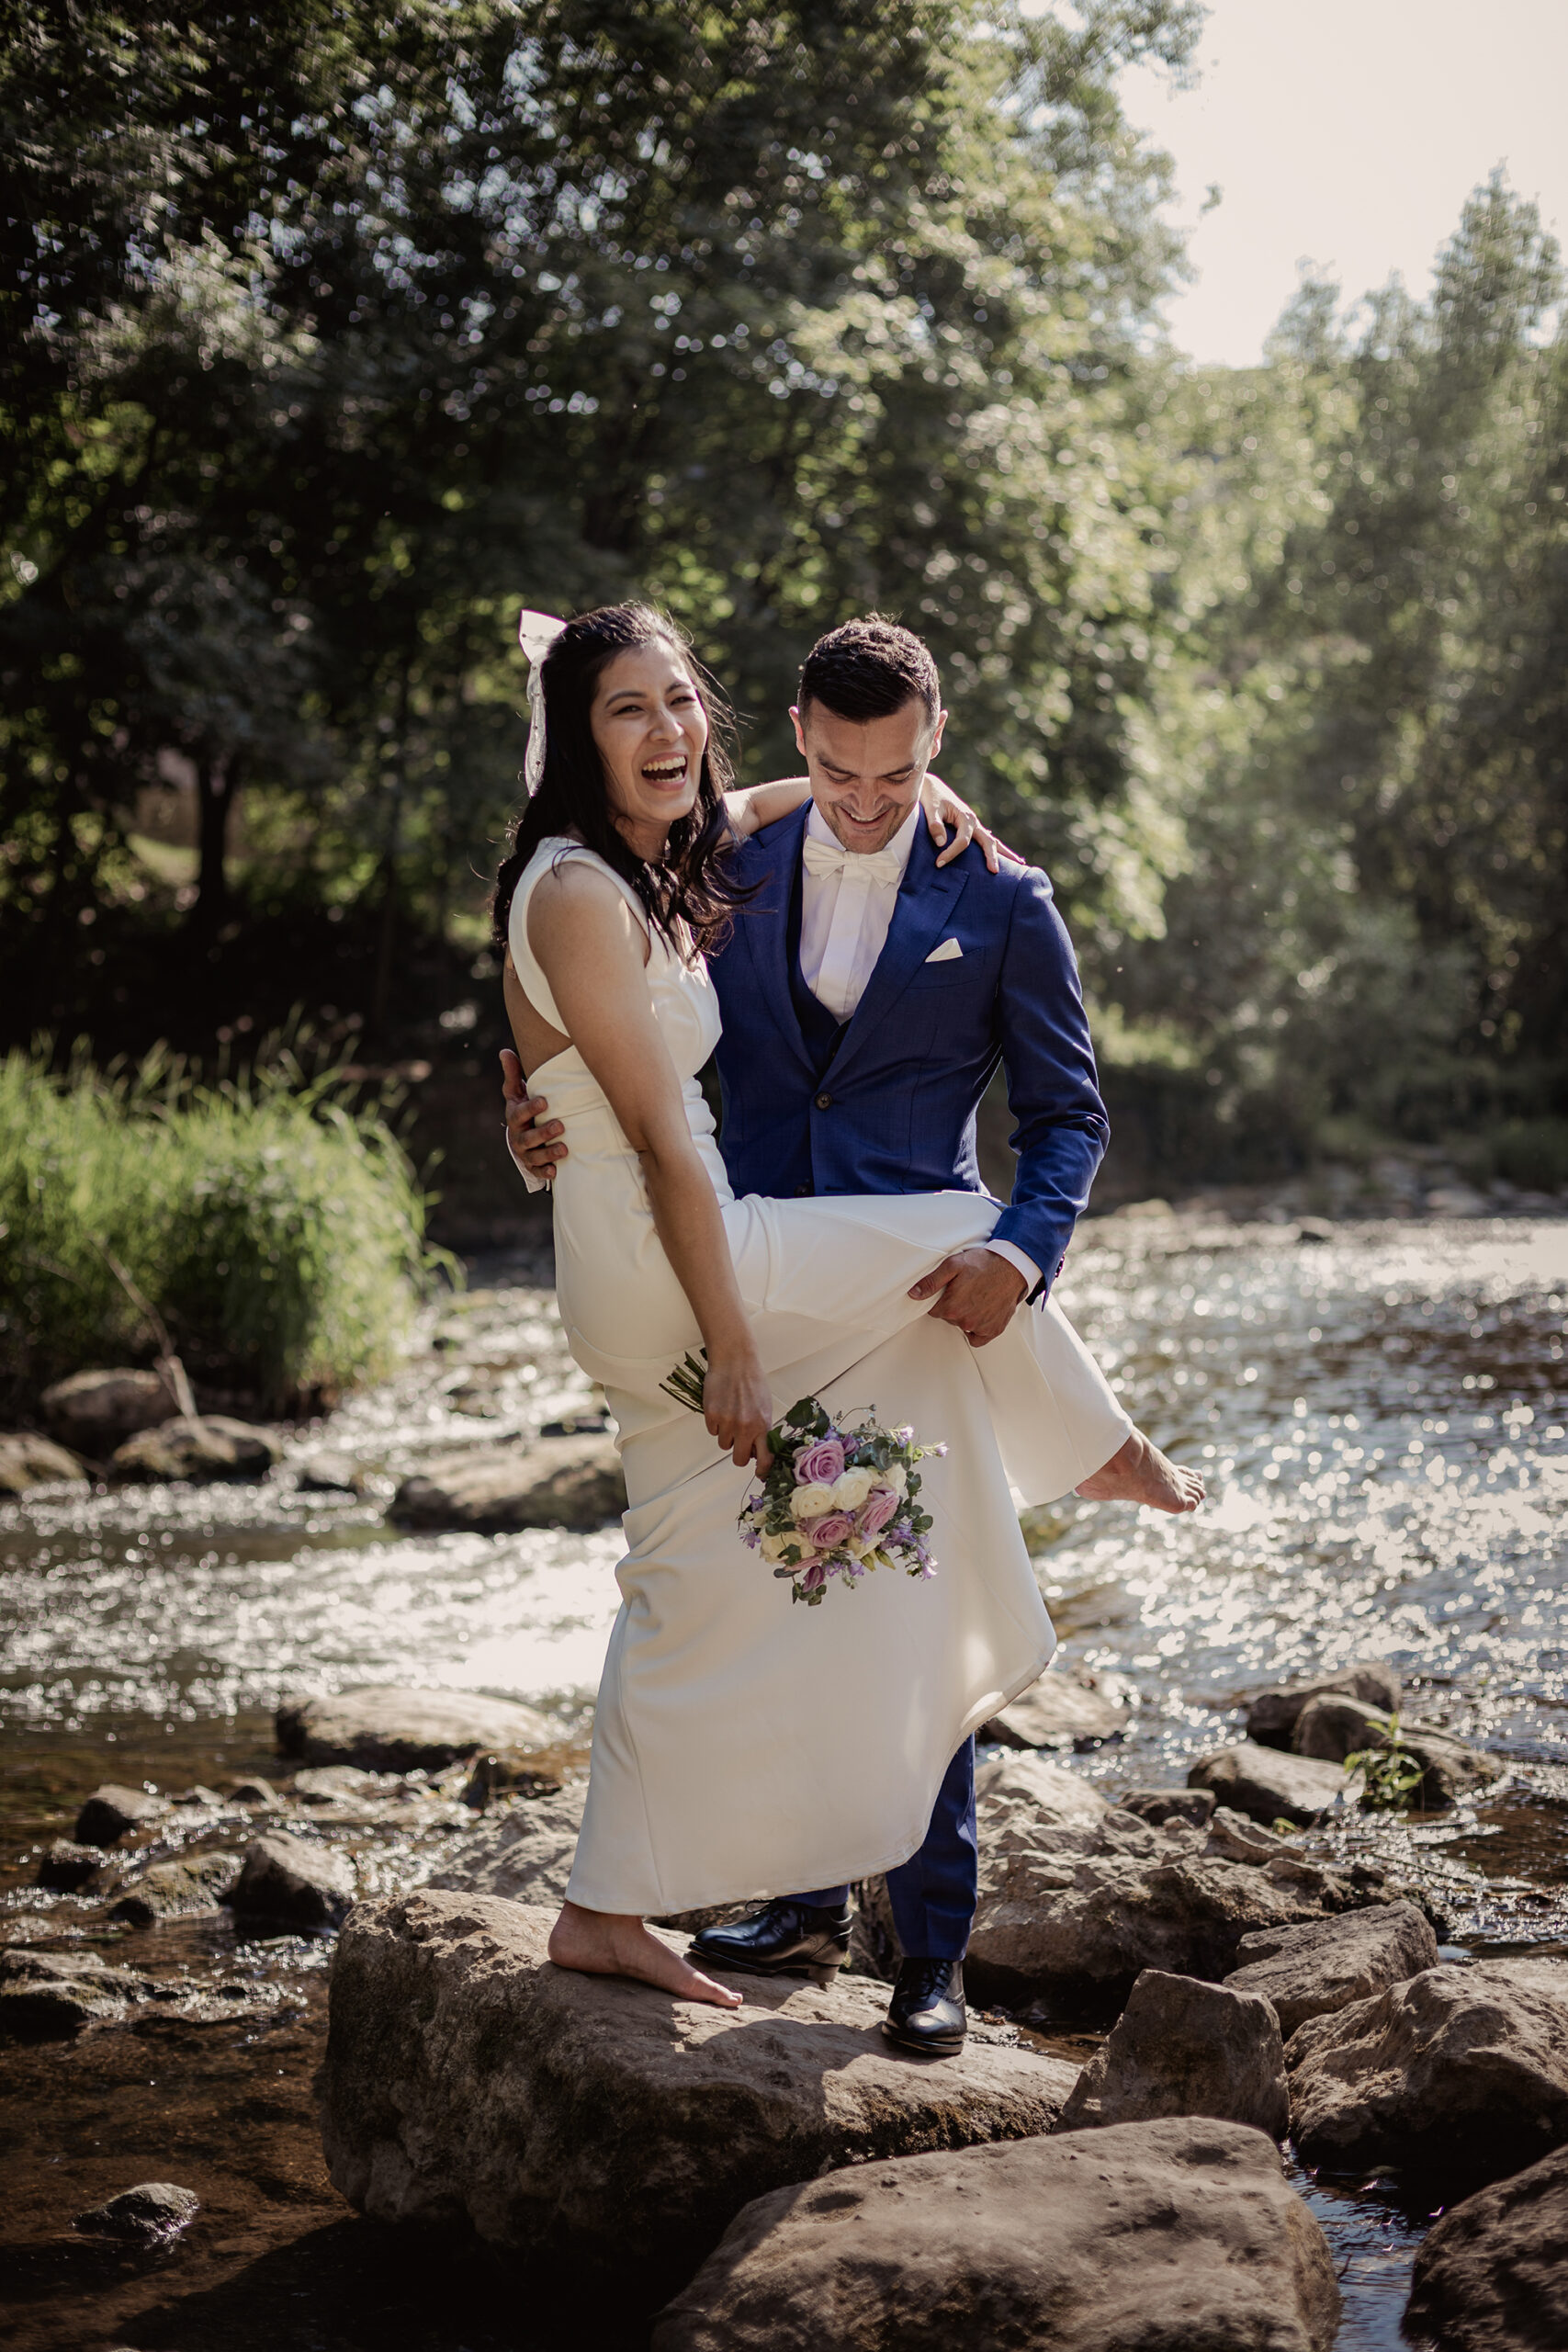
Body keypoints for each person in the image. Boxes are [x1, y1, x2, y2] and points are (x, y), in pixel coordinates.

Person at [497, 601, 1198, 2058]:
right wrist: (540, 1126)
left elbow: (1068, 1118)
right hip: (740, 1272)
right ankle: (801, 1900)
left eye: (900, 776)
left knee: (901, 1586)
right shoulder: (711, 860)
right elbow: (619, 1052)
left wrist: (1022, 1251)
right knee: (778, 1584)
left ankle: (929, 1943)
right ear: (801, 740)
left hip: (906, 1303)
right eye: (841, 774)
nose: (870, 808)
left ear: (935, 745)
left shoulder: (1002, 897)